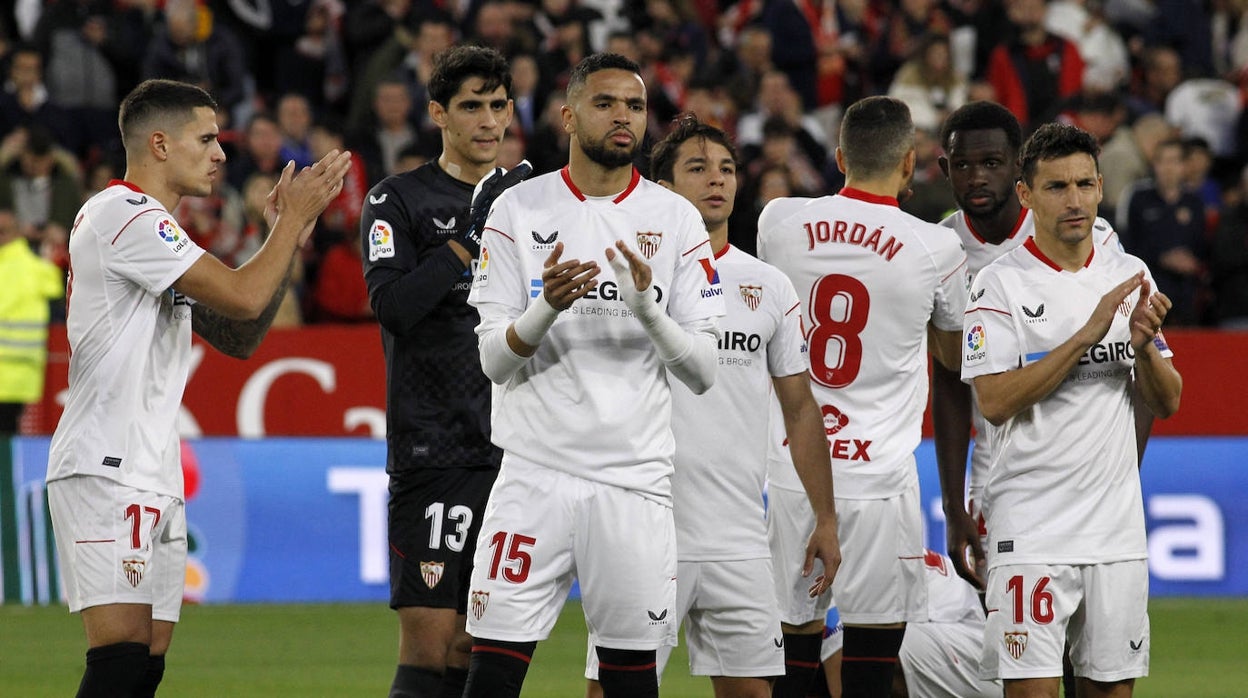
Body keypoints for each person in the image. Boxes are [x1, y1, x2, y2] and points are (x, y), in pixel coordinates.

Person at [45, 78, 350, 697]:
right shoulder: (122, 215)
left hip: (150, 468)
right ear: (159, 143)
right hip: (107, 464)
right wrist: (289, 222)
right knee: (120, 662)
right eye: (206, 138)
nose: (220, 153)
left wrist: (287, 235)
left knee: (145, 667)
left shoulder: (160, 236)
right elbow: (243, 294)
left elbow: (240, 334)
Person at [462, 52, 726, 698]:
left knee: (630, 684)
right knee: (489, 679)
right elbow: (492, 358)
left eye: (634, 106)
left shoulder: (675, 221)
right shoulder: (517, 211)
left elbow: (704, 370)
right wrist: (546, 306)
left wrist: (649, 312)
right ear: (568, 115)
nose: (623, 117)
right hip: (533, 477)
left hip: (633, 484)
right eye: (606, 103)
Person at [582, 116, 840, 698]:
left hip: (740, 535)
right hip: (647, 529)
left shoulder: (768, 286)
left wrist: (825, 517)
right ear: (665, 188)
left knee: (751, 692)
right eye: (697, 169)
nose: (716, 180)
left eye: (725, 169)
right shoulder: (626, 281)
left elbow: (800, 411)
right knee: (614, 691)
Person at [757, 95, 969, 697]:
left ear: (840, 156)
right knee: (874, 651)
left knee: (793, 645)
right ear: (909, 164)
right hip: (877, 477)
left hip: (794, 467)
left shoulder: (778, 221)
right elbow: (953, 358)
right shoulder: (938, 248)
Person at [962, 122, 1182, 697]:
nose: (1075, 200)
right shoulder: (997, 286)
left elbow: (1168, 400)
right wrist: (1085, 335)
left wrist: (1142, 353)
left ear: (1102, 187)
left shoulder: (1130, 275)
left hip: (1115, 532)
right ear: (1027, 194)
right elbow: (994, 400)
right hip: (1031, 531)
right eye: (1057, 187)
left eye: (1085, 184)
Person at [358, 45, 518, 698]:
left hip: (514, 447)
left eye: (498, 105)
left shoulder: (530, 205)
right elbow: (393, 307)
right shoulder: (397, 200)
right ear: (437, 114)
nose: (487, 120)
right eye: (471, 106)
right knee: (429, 643)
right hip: (433, 446)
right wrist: (465, 240)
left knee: (477, 643)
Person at [0, 207, 63, 434]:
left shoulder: (36, 268)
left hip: (15, 372)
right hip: (21, 371)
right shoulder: (38, 268)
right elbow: (58, 289)